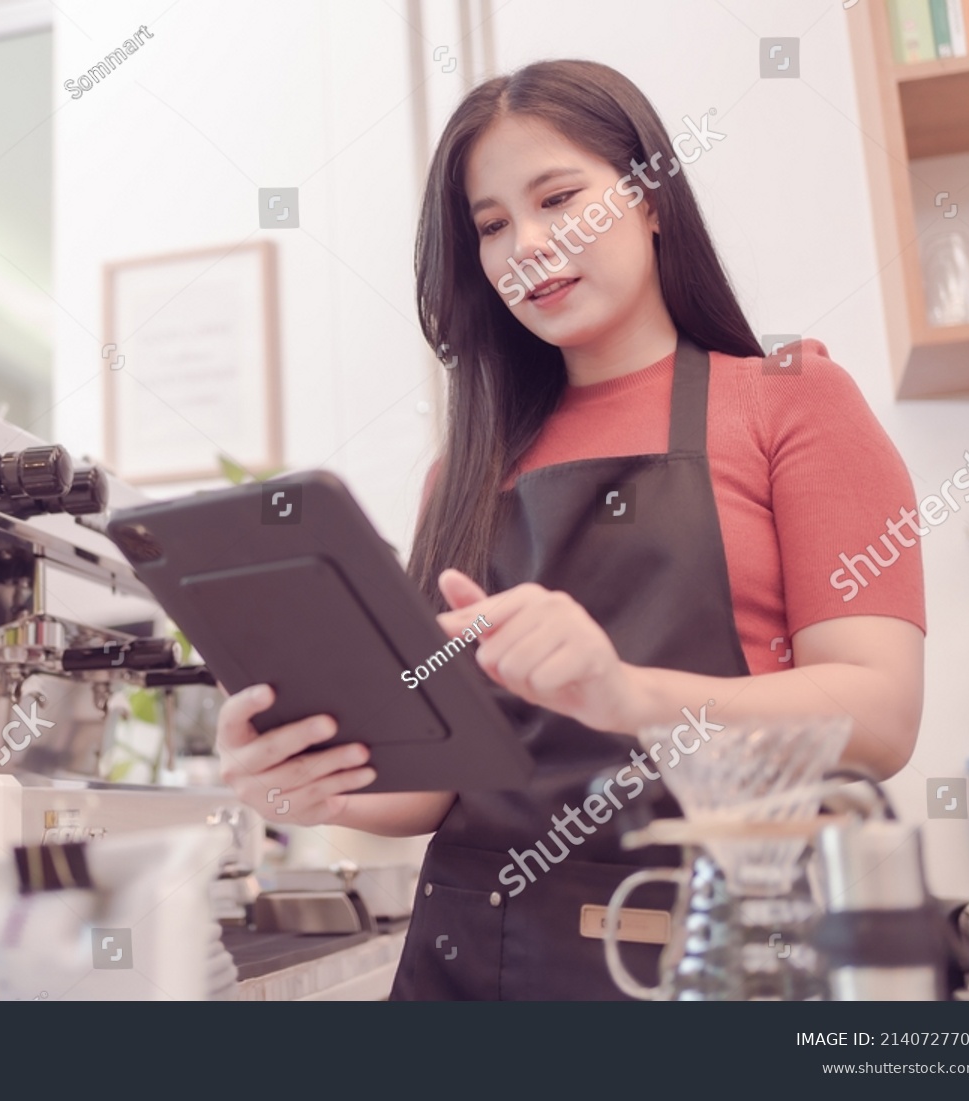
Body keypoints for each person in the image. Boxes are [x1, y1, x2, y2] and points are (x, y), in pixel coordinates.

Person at [215, 59, 925, 1000]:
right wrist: (296, 778)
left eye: (559, 199)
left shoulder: (791, 399)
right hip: (466, 958)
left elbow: (878, 716)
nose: (528, 246)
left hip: (700, 953)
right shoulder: (461, 471)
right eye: (493, 225)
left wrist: (625, 693)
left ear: (653, 199)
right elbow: (433, 785)